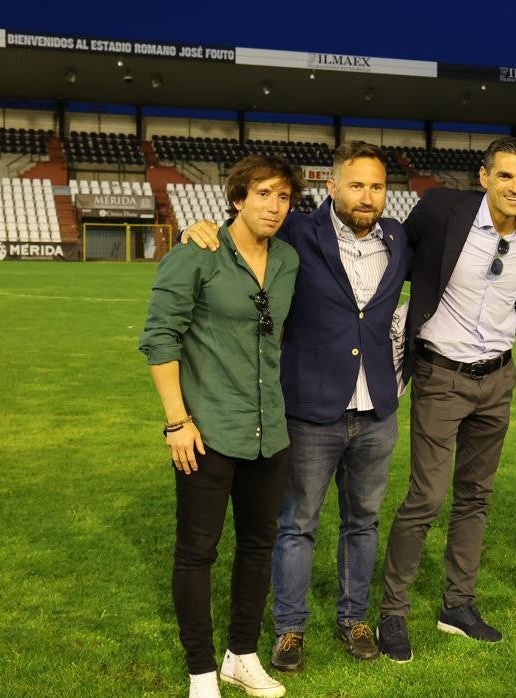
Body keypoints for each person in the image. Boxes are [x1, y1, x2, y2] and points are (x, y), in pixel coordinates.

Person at [183, 142, 412, 673]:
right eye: (355, 185)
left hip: (378, 408)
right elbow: (239, 236)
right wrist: (198, 229)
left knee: (363, 521)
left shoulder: (400, 238)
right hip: (310, 407)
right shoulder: (296, 230)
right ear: (331, 187)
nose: (366, 196)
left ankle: (354, 618)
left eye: (376, 186)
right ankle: (290, 629)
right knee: (298, 523)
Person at [376, 137, 516, 662]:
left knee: (476, 496)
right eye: (505, 176)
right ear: (484, 177)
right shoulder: (440, 209)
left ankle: (458, 604)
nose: (515, 187)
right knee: (426, 497)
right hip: (440, 376)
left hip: (497, 380)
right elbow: (389, 246)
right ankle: (392, 612)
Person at [139, 154, 303, 698]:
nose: (274, 206)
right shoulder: (197, 253)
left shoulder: (287, 261)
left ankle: (242, 655)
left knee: (259, 545)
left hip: (270, 433)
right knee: (197, 551)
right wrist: (176, 421)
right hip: (205, 430)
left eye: (283, 197)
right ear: (238, 198)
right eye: (263, 194)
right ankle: (201, 671)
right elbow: (159, 339)